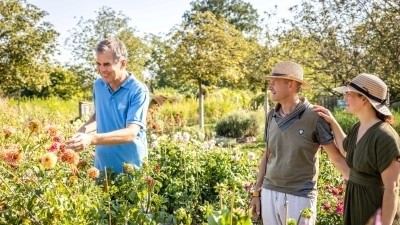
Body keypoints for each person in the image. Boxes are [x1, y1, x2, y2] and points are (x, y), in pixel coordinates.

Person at [250, 61, 349, 225]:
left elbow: (335, 157)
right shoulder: (271, 116)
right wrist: (256, 193)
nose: (270, 86)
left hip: (300, 196)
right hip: (269, 192)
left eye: (274, 81)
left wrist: (359, 182)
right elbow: (267, 156)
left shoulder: (315, 116)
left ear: (290, 84)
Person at [314, 73, 400, 225]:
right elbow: (347, 150)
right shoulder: (358, 128)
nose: (344, 98)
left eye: (349, 94)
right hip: (354, 203)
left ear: (364, 99)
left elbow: (392, 189)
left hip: (372, 209)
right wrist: (333, 122)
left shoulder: (385, 137)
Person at [66, 37, 150, 174]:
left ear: (122, 64)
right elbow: (98, 116)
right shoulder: (98, 85)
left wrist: (91, 139)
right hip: (102, 170)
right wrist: (81, 132)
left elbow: (131, 133)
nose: (101, 69)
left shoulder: (138, 90)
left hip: (130, 173)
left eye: (106, 64)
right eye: (98, 64)